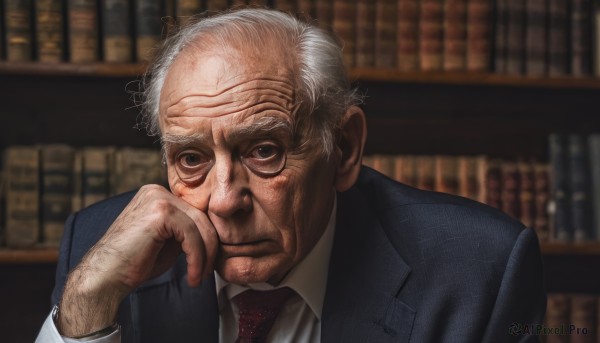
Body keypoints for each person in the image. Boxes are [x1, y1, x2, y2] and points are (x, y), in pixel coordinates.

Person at [36, 8, 546, 343]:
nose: (223, 201)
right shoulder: (97, 250)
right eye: (191, 159)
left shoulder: (481, 272)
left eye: (263, 150)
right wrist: (84, 306)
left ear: (343, 149)